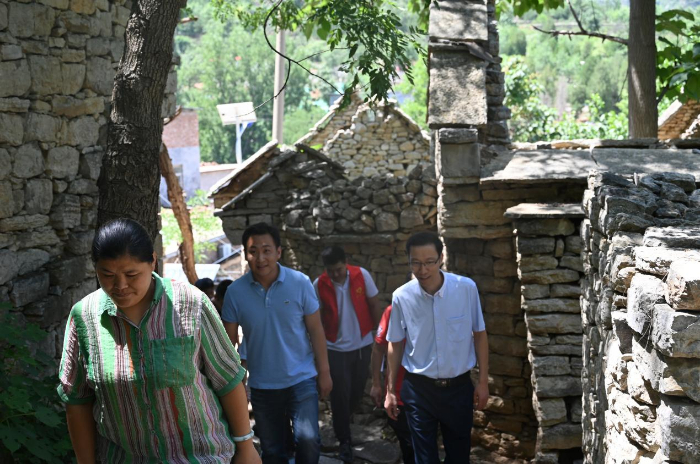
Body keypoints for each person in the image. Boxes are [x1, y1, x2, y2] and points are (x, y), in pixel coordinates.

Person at [57, 218, 260, 464]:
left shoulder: (191, 304)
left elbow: (228, 379)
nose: (120, 285)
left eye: (132, 274)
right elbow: (77, 400)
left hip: (201, 457)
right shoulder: (84, 317)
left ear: (153, 261)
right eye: (107, 274)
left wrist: (246, 448)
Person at [222, 223, 332, 464]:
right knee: (273, 451)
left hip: (301, 380)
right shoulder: (235, 292)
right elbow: (228, 346)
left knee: (309, 440)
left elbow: (316, 330)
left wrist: (324, 372)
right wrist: (235, 385)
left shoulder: (300, 282)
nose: (260, 258)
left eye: (267, 250)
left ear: (279, 252)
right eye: (253, 251)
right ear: (245, 254)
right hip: (262, 385)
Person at [384, 231, 489, 464]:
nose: (422, 270)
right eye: (416, 263)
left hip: (459, 388)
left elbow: (480, 335)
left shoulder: (466, 288)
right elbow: (395, 343)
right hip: (419, 389)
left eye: (429, 262)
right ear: (408, 261)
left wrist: (482, 382)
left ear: (441, 259)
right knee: (424, 458)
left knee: (459, 456)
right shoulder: (401, 296)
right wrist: (390, 391)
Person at [312, 246, 383, 462]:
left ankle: (344, 421)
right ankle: (344, 440)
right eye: (331, 270)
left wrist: (380, 334)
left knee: (357, 390)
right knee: (339, 395)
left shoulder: (362, 276)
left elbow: (373, 304)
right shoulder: (319, 284)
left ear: (346, 263)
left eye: (339, 269)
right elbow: (316, 318)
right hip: (335, 348)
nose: (335, 274)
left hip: (362, 345)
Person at [370, 304, 415, 464]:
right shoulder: (393, 311)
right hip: (399, 394)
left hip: (428, 394)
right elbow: (379, 348)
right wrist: (376, 384)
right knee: (410, 446)